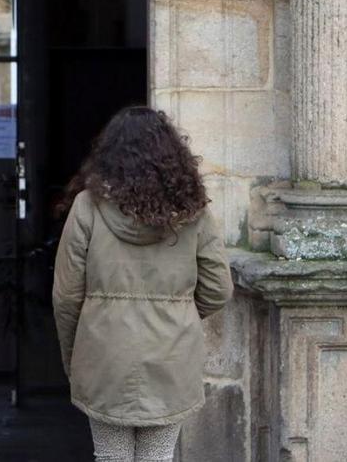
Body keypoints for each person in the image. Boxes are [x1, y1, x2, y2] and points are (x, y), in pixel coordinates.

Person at [52, 107, 233, 462]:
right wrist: (177, 314)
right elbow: (219, 288)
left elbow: (66, 296)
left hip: (104, 352)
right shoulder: (193, 211)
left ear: (109, 154)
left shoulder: (87, 206)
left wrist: (74, 357)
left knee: (111, 456)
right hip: (172, 354)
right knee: (158, 458)